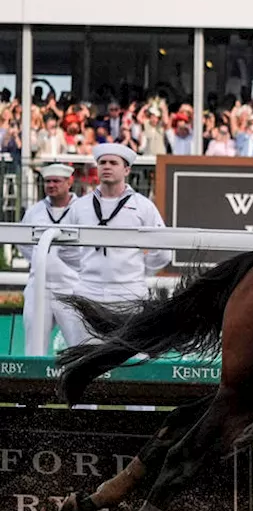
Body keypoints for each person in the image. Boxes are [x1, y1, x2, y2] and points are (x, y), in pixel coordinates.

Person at [58, 143, 172, 346]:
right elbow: (65, 249)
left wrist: (137, 272)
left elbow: (163, 252)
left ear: (126, 170)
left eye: (113, 162)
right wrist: (88, 267)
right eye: (102, 162)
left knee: (129, 357)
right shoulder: (80, 206)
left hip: (129, 294)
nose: (107, 166)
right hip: (88, 292)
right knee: (83, 356)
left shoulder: (142, 205)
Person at [17, 163, 86, 353]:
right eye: (48, 181)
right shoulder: (35, 211)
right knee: (34, 347)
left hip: (72, 286)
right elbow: (22, 243)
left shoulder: (82, 209)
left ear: (69, 182)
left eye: (56, 181)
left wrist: (69, 266)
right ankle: (33, 383)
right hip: (38, 285)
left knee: (78, 344)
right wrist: (42, 261)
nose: (51, 185)